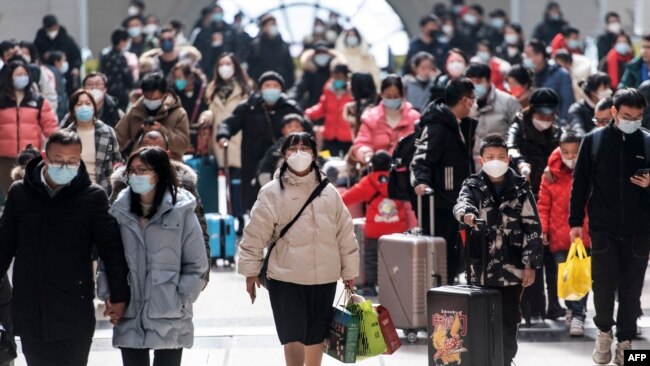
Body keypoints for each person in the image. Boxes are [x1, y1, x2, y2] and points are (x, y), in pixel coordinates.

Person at [0, 130, 130, 366]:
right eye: (58, 160)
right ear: (44, 156)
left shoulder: (93, 197)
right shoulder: (20, 193)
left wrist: (119, 296)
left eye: (72, 161)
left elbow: (111, 251)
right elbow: (4, 246)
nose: (65, 166)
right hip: (31, 306)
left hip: (73, 307)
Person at [238, 132, 359, 366]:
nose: (299, 153)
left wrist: (349, 272)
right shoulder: (271, 192)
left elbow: (345, 233)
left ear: (314, 154)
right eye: (293, 149)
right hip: (285, 278)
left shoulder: (329, 192)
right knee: (292, 335)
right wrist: (250, 272)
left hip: (324, 277)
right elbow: (254, 235)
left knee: (317, 335)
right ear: (284, 154)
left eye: (305, 148)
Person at [99, 146, 208, 366]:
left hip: (170, 308)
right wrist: (108, 294)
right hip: (129, 307)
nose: (136, 175)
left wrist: (181, 297)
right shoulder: (119, 209)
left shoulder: (182, 208)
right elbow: (107, 259)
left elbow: (196, 263)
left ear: (158, 172)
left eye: (143, 170)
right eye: (133, 170)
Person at [570, 88, 650, 365]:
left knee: (631, 290)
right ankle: (604, 331)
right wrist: (574, 222)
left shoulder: (648, 142)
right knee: (603, 287)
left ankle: (626, 344)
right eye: (628, 116)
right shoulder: (594, 141)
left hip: (640, 230)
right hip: (603, 228)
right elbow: (580, 184)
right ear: (614, 112)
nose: (633, 121)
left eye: (639, 117)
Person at [453, 135, 543, 366]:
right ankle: (483, 359)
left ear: (508, 158)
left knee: (509, 318)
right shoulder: (472, 185)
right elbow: (461, 205)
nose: (496, 161)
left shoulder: (521, 188)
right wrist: (467, 215)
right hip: (480, 266)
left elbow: (532, 226)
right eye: (490, 157)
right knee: (480, 317)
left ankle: (505, 359)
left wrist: (529, 265)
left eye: (501, 157)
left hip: (512, 268)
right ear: (481, 160)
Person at [109, 130, 210, 269]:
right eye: (146, 150)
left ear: (167, 155)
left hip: (170, 275)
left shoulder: (185, 187)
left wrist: (201, 275)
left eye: (157, 151)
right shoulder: (124, 184)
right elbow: (109, 231)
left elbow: (199, 230)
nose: (150, 157)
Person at [411, 78, 478, 283]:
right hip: (441, 204)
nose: (475, 104)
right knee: (444, 256)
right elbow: (421, 159)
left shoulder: (460, 125)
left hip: (456, 200)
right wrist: (421, 181)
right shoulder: (437, 126)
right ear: (465, 100)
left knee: (456, 255)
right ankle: (441, 300)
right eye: (473, 99)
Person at [507, 87, 563, 323]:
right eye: (542, 115)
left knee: (552, 254)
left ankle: (555, 304)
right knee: (530, 251)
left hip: (552, 196)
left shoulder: (558, 131)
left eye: (550, 115)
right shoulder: (519, 126)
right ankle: (531, 305)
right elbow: (511, 148)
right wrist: (521, 165)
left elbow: (566, 152)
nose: (546, 119)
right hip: (527, 195)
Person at [216, 71, 303, 212]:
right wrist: (223, 135)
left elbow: (306, 127)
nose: (271, 89)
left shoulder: (290, 107)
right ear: (260, 88)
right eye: (267, 85)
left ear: (281, 89)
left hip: (282, 160)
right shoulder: (248, 107)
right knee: (253, 198)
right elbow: (229, 123)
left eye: (275, 85)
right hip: (252, 159)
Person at [537, 130, 590, 337]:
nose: (570, 157)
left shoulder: (591, 171)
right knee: (566, 275)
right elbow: (543, 204)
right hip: (559, 236)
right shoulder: (550, 174)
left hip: (586, 234)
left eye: (575, 152)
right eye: (566, 152)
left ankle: (578, 314)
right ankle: (572, 308)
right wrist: (543, 229)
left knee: (581, 274)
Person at [342, 151, 411, 296]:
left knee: (372, 258)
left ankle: (370, 286)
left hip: (375, 230)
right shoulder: (398, 178)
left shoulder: (368, 181)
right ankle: (398, 287)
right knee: (397, 259)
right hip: (399, 229)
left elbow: (347, 198)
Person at [200, 53, 251, 211]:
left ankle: (239, 216)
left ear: (235, 66)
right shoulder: (213, 89)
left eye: (228, 64)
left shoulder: (245, 89)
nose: (224, 68)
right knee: (223, 186)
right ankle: (228, 217)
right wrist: (206, 116)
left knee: (239, 184)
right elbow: (210, 111)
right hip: (220, 142)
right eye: (221, 64)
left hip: (239, 140)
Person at [0, 60, 58, 196]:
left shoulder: (38, 100)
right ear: (9, 77)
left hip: (30, 156)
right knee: (11, 195)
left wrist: (58, 146)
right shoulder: (1, 100)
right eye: (18, 74)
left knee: (31, 194)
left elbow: (50, 126)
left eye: (25, 74)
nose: (22, 78)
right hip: (5, 157)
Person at [115, 72, 190, 160]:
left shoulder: (178, 113)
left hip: (170, 166)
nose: (150, 101)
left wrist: (161, 130)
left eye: (154, 99)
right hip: (140, 165)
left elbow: (183, 146)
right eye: (147, 97)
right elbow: (118, 138)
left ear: (164, 95)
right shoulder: (136, 111)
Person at [64, 89, 122, 193]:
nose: (84, 107)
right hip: (73, 191)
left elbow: (117, 161)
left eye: (88, 103)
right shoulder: (65, 136)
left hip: (102, 191)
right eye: (79, 104)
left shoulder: (107, 132)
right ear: (72, 110)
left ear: (94, 108)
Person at [352, 75, 420, 163]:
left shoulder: (415, 118)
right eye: (388, 96)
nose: (392, 99)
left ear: (402, 95)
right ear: (381, 94)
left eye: (396, 96)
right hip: (378, 170)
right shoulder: (371, 117)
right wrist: (366, 153)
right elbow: (361, 143)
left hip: (408, 171)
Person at [465, 63, 521, 170]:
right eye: (471, 82)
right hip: (472, 166)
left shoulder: (508, 102)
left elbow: (519, 134)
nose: (475, 86)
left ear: (489, 81)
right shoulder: (464, 104)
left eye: (479, 82)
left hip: (501, 165)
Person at [305, 64, 353, 158]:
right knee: (325, 159)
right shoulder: (328, 90)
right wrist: (308, 113)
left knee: (346, 163)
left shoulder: (352, 93)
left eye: (340, 77)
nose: (337, 80)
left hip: (347, 137)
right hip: (329, 136)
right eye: (335, 76)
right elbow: (322, 107)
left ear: (346, 78)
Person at [523, 39, 575, 120]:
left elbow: (567, 103)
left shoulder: (561, 74)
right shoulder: (528, 75)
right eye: (524, 55)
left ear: (539, 56)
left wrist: (562, 125)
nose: (525, 58)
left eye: (528, 55)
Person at [33, 14, 82, 95]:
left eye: (53, 28)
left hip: (67, 74)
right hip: (47, 74)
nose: (51, 31)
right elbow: (36, 56)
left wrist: (76, 67)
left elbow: (76, 56)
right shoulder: (39, 40)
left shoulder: (67, 40)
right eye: (49, 29)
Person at [290, 42, 346, 111]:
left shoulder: (337, 73)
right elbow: (298, 89)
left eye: (324, 53)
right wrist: (291, 101)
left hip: (334, 110)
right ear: (313, 56)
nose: (321, 56)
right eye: (319, 54)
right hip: (313, 108)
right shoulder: (309, 73)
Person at [256, 114, 307, 186]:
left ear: (302, 129)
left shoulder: (309, 146)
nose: (293, 129)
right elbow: (264, 172)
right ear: (283, 130)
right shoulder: (275, 149)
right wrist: (271, 190)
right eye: (289, 126)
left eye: (297, 126)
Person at [246, 14, 295, 89]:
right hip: (260, 87)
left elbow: (290, 68)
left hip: (281, 87)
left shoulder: (284, 46)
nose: (273, 27)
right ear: (264, 27)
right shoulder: (255, 46)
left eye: (274, 24)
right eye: (270, 24)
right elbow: (251, 68)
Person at [192, 4, 234, 81]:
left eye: (219, 12)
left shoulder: (228, 31)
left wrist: (221, 42)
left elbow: (229, 50)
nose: (217, 14)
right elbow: (199, 46)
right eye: (215, 12)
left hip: (217, 66)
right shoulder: (206, 28)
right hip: (203, 64)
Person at [17, 41, 59, 114]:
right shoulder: (11, 71)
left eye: (27, 53)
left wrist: (47, 114)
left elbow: (50, 95)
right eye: (22, 53)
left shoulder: (40, 71)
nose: (24, 56)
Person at [100, 27, 135, 110]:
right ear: (122, 42)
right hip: (120, 94)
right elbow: (127, 77)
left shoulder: (104, 54)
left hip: (107, 92)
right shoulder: (120, 57)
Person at [169, 61, 207, 128]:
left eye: (179, 77)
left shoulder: (202, 90)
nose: (177, 81)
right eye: (175, 78)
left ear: (189, 77)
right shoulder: (174, 93)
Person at [43, 51, 68, 120]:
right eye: (64, 60)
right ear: (56, 61)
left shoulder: (47, 70)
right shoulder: (55, 73)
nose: (65, 63)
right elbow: (59, 93)